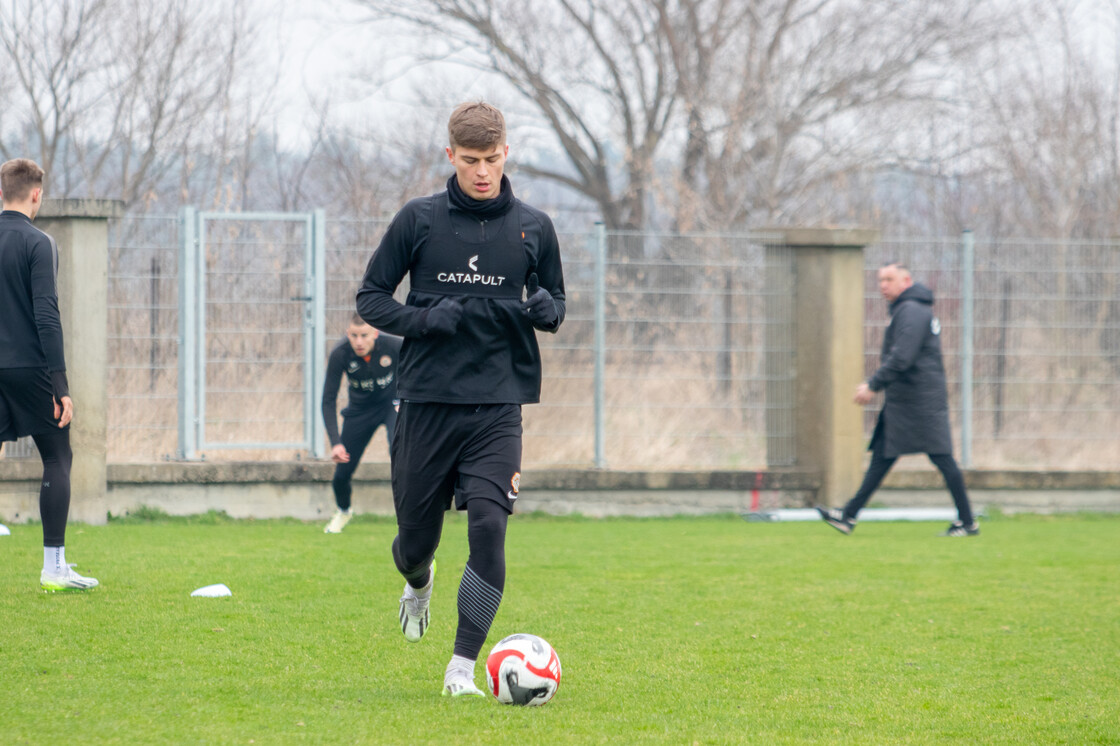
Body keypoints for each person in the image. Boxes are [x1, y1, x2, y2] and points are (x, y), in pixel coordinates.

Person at [356, 101, 565, 697]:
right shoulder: (418, 221)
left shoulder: (535, 227)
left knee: (488, 528)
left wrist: (549, 310)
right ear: (450, 156)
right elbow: (371, 298)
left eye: (491, 160)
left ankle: (461, 669)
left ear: (506, 154)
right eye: (470, 160)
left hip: (498, 406)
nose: (481, 172)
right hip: (425, 403)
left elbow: (554, 301)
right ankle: (418, 584)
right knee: (414, 545)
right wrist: (421, 321)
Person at [817, 262, 979, 537]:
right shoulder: (908, 309)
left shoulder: (912, 310)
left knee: (943, 459)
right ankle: (847, 516)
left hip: (921, 402)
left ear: (906, 281)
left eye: (889, 279)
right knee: (882, 456)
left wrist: (873, 384)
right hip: (906, 401)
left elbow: (903, 357)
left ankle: (967, 522)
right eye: (880, 280)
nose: (883, 285)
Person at [0, 158, 99, 591]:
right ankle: (54, 567)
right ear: (36, 194)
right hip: (27, 367)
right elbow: (46, 315)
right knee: (58, 456)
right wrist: (61, 385)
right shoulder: (40, 243)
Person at [321, 314, 401, 533]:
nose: (359, 342)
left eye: (364, 335)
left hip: (391, 406)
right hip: (360, 411)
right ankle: (344, 511)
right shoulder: (340, 354)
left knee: (400, 453)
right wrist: (335, 442)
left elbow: (419, 368)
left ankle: (409, 516)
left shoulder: (394, 345)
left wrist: (406, 400)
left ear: (375, 333)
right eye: (354, 336)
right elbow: (328, 400)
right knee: (341, 475)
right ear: (348, 334)